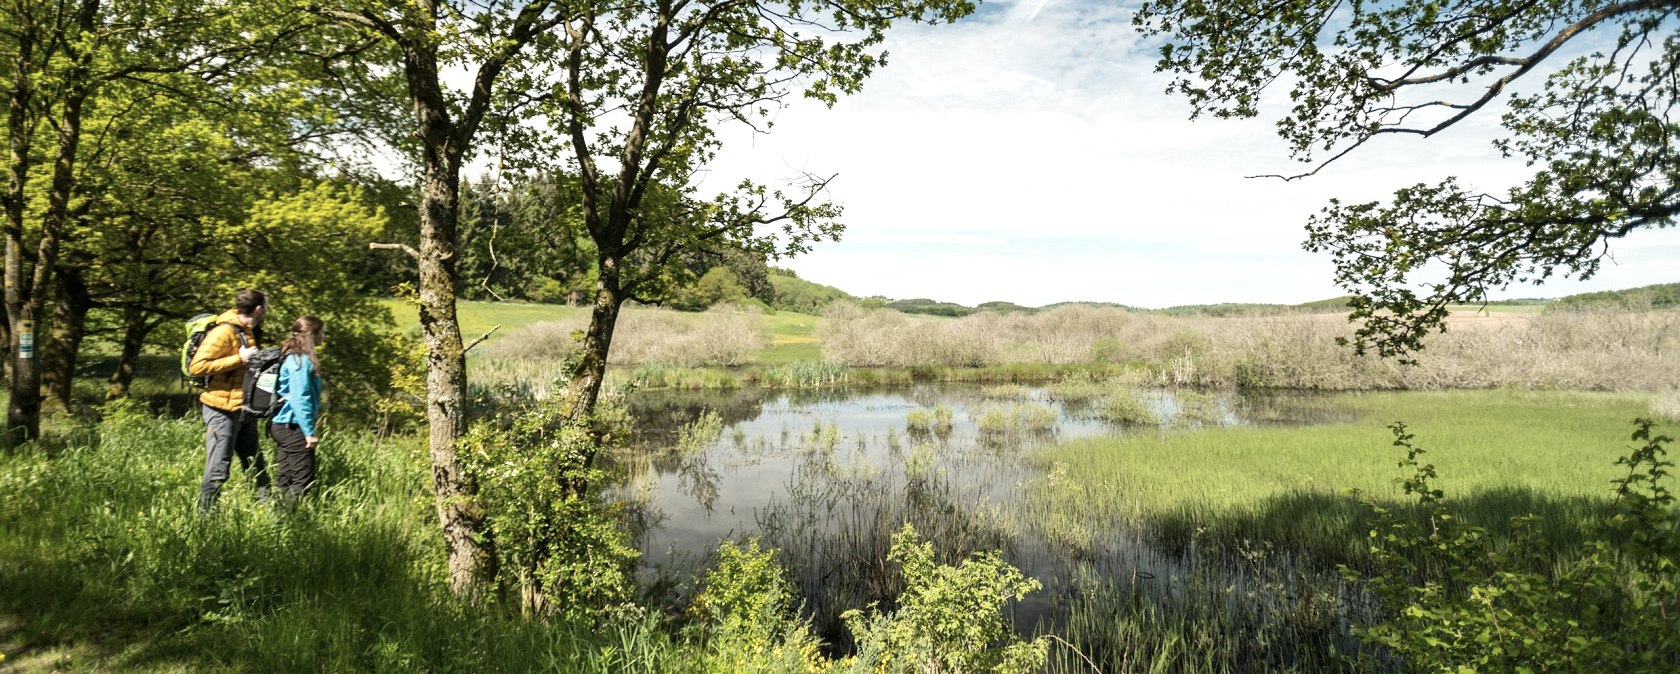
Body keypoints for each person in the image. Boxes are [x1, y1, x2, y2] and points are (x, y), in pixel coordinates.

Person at [189, 289, 271, 511]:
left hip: (243, 409)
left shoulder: (249, 330)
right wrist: (239, 358)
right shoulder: (224, 331)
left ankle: (275, 518)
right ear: (258, 308)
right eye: (267, 306)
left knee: (256, 466)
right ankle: (204, 521)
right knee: (218, 468)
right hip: (220, 410)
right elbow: (196, 367)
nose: (267, 311)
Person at [269, 315, 325, 502]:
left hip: (282, 425)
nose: (324, 336)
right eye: (322, 332)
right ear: (313, 334)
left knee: (286, 478)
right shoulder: (300, 362)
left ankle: (276, 520)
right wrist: (309, 432)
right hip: (292, 426)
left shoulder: (292, 357)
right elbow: (300, 398)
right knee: (303, 481)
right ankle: (286, 521)